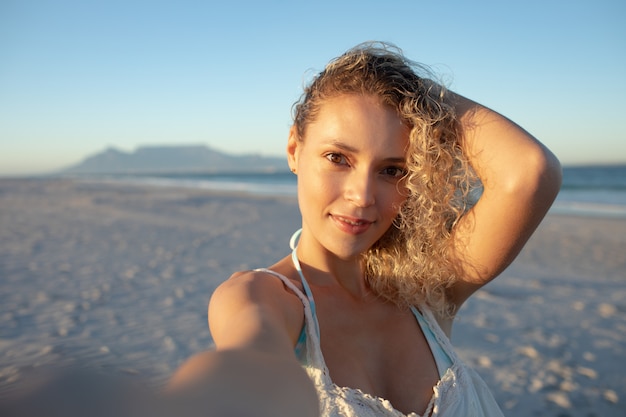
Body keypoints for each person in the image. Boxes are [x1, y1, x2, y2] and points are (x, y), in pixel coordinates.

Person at [166, 42, 562, 417]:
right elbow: (246, 362)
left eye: (392, 170)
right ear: (293, 150)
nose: (362, 196)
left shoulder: (428, 286)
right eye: (338, 158)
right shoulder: (263, 298)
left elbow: (529, 172)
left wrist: (414, 92)